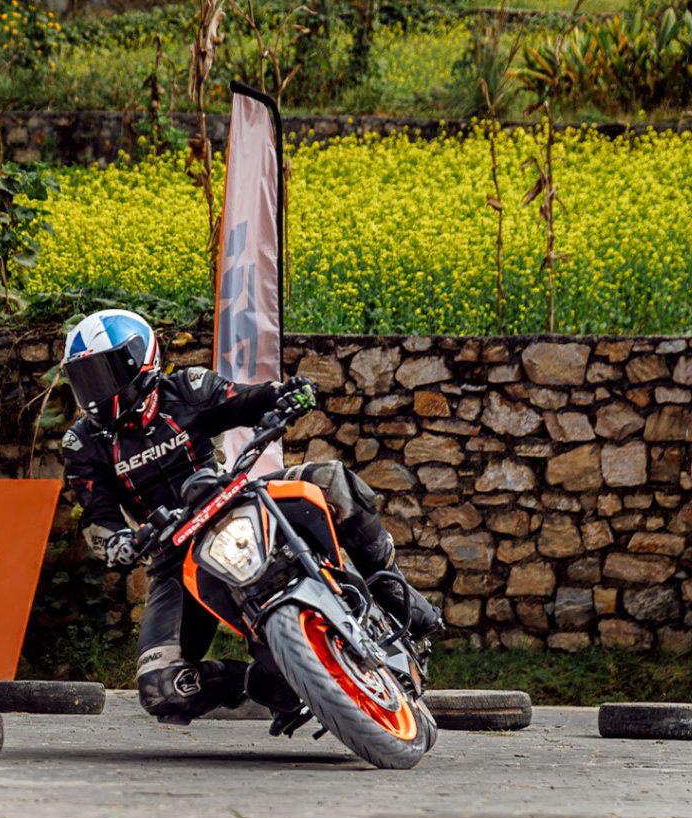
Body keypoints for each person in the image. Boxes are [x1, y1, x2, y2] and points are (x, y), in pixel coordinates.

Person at [60, 309, 442, 732]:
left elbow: (246, 400)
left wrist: (286, 394)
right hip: (173, 554)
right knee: (161, 688)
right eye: (84, 378)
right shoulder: (82, 442)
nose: (94, 390)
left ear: (139, 360)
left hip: (234, 502)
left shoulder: (186, 388)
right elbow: (97, 517)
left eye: (103, 373)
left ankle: (390, 587)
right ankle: (262, 683)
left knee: (331, 479)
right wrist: (119, 542)